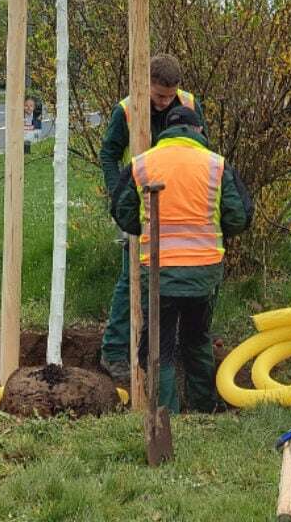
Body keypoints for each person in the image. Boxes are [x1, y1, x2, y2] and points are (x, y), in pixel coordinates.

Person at [109, 105, 252, 413]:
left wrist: (143, 227)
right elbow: (239, 216)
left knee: (159, 345)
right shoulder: (216, 165)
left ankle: (166, 414)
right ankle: (204, 405)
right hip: (203, 273)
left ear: (165, 133)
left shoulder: (143, 164)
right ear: (198, 131)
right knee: (198, 337)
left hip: (159, 272)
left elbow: (122, 212)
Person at [97, 54, 206, 383]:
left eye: (170, 96)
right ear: (146, 85)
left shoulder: (188, 103)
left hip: (180, 204)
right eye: (159, 96)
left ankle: (173, 350)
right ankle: (115, 352)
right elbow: (109, 153)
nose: (165, 102)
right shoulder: (127, 110)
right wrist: (121, 198)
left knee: (177, 280)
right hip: (143, 204)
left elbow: (202, 150)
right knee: (131, 277)